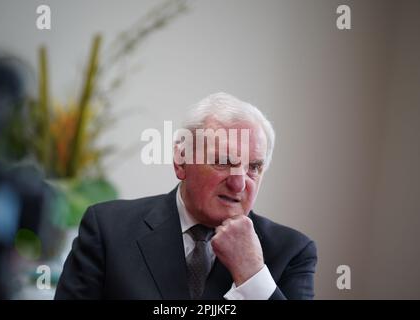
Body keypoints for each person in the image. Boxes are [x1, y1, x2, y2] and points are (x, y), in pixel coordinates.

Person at [55, 92, 317, 300]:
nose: (239, 183)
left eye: (254, 168)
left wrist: (252, 274)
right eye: (223, 161)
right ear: (181, 161)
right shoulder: (108, 229)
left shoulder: (291, 251)